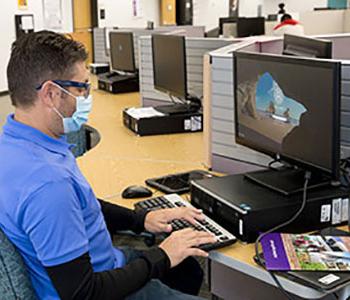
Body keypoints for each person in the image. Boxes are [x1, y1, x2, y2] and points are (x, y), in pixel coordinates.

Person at [0, 30, 217, 299]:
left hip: (101, 260)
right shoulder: (48, 183)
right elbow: (84, 293)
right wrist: (161, 256)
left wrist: (142, 220)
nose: (87, 97)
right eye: (82, 87)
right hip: (98, 287)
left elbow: (79, 205)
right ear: (51, 94)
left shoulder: (15, 143)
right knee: (175, 261)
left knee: (188, 270)